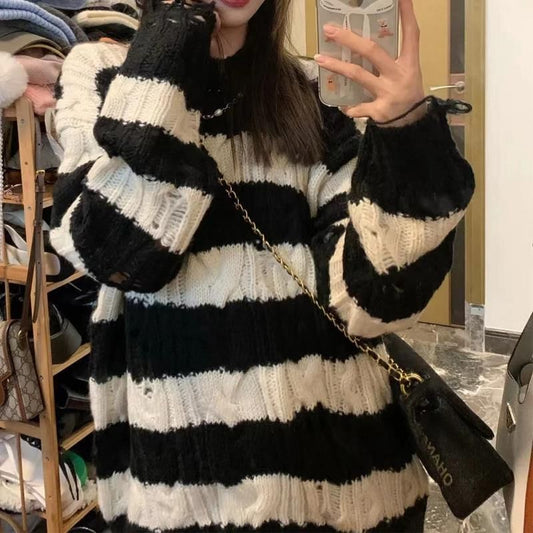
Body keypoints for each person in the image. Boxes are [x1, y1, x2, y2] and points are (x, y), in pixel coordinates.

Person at [50, 0, 475, 531]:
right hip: (187, 488)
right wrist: (174, 45)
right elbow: (116, 252)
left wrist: (406, 130)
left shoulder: (313, 92)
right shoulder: (102, 74)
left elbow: (373, 301)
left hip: (341, 476)